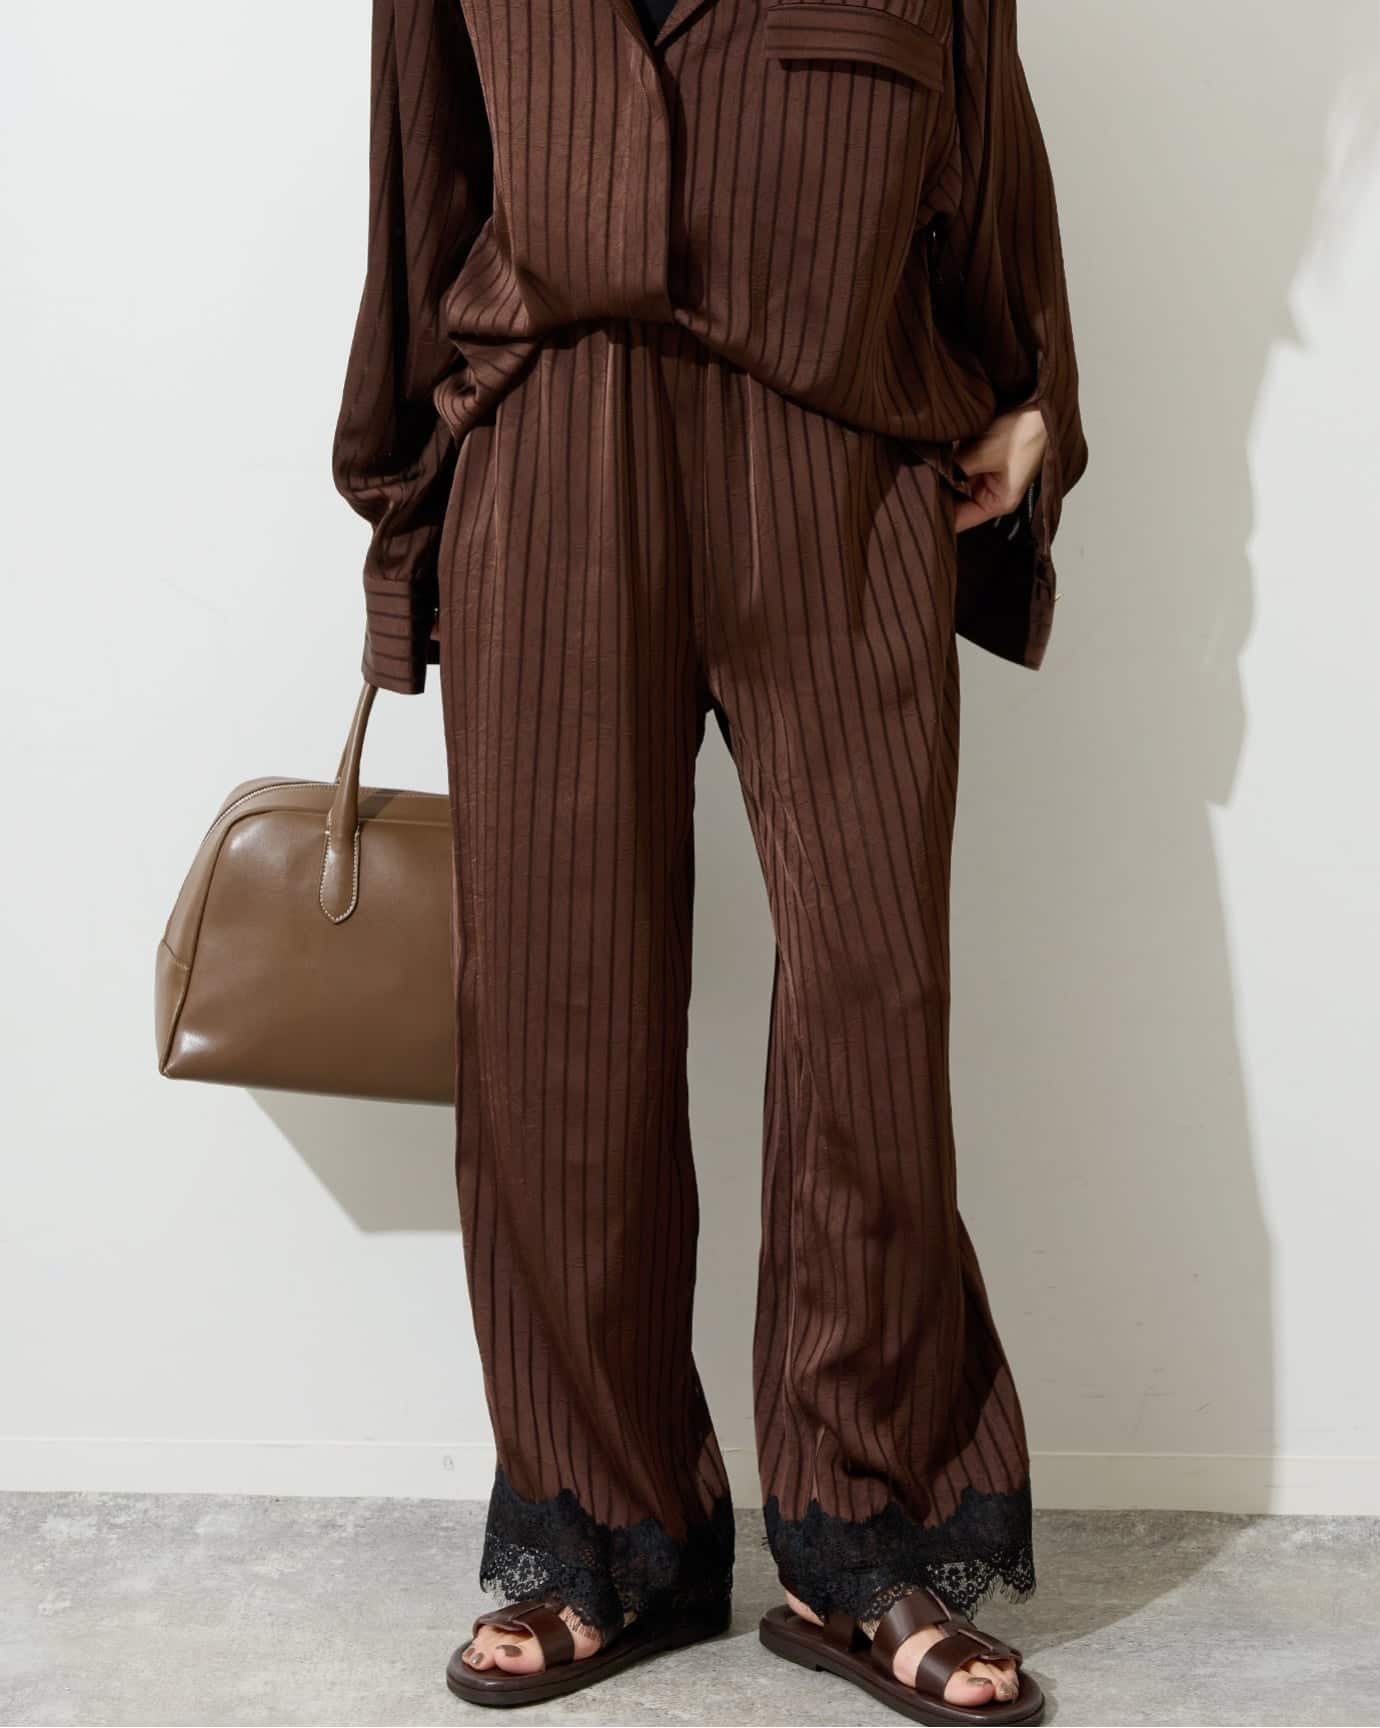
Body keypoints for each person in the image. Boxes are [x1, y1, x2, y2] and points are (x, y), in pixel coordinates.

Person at [332, 0, 1086, 1718]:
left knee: (872, 1000)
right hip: (550, 438)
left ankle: (859, 1534)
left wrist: (1036, 386)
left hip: (845, 451)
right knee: (555, 1011)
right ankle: (606, 1528)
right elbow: (419, 165)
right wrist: (406, 503)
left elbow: (985, 124)